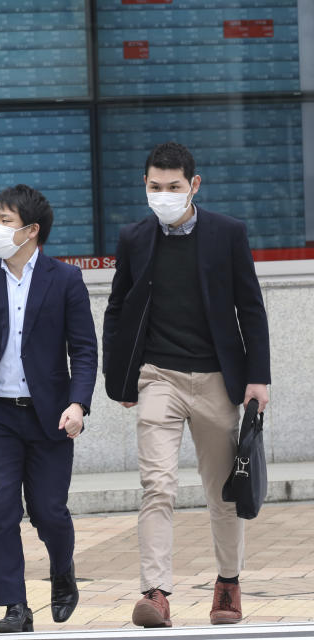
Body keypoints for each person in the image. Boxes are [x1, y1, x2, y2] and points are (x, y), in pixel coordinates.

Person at [102, 142, 271, 628]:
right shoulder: (134, 238)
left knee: (223, 491)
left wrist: (257, 378)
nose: (163, 195)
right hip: (159, 377)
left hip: (218, 379)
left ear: (193, 186)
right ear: (145, 186)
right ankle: (156, 594)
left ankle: (228, 584)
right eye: (155, 187)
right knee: (157, 485)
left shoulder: (227, 234)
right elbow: (118, 310)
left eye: (173, 187)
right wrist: (123, 379)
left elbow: (251, 308)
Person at [0, 185, 97, 633]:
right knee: (0, 508)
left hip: (50, 415)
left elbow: (85, 350)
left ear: (31, 231)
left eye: (5, 220)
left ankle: (62, 570)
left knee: (48, 510)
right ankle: (14, 604)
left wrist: (78, 404)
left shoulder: (65, 279)